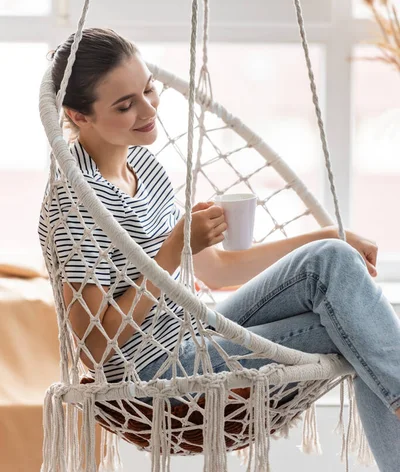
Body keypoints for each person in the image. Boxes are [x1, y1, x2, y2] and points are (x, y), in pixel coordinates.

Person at [39, 27, 400, 470]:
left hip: (199, 335)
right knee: (359, 330)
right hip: (153, 372)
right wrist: (173, 251)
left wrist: (327, 234)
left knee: (333, 260)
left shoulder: (145, 165)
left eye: (149, 90)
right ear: (79, 116)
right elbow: (97, 347)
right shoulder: (73, 202)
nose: (149, 110)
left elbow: (218, 271)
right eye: (125, 105)